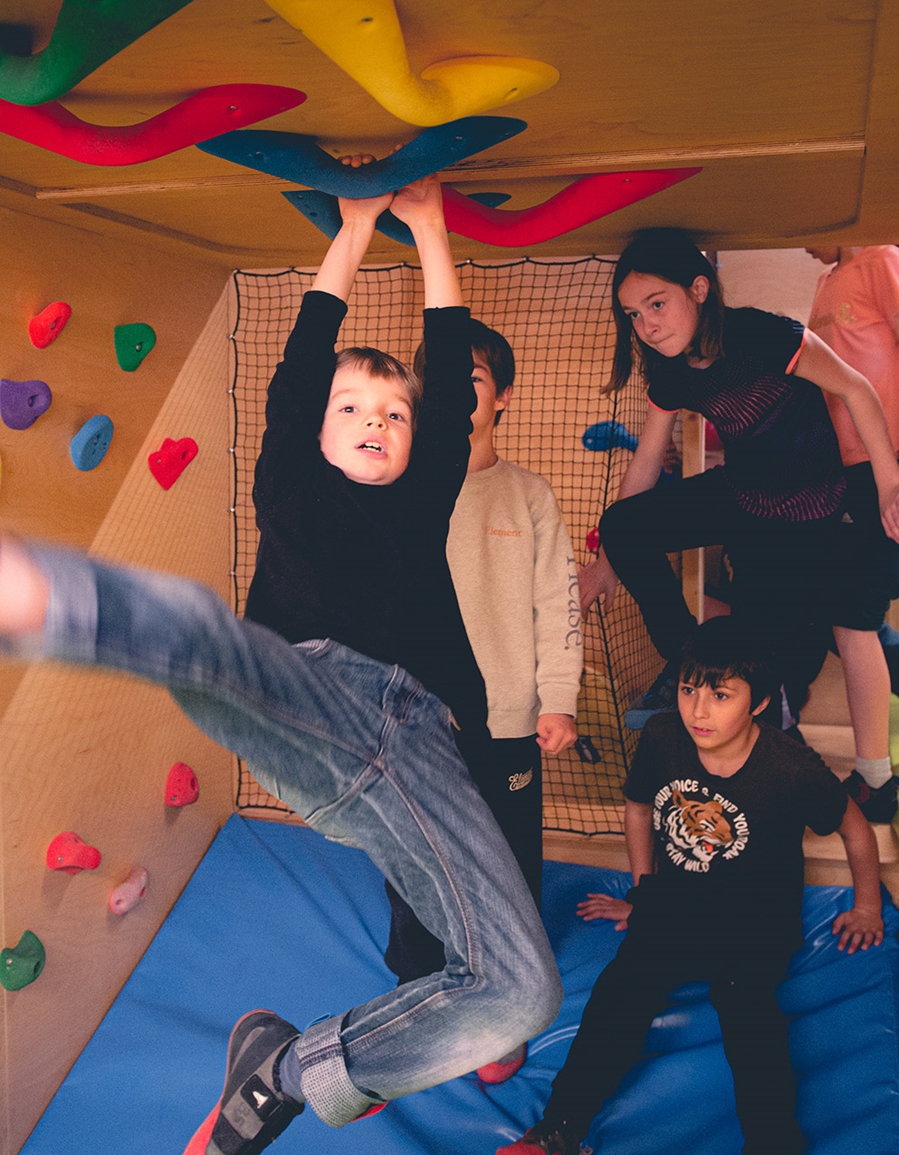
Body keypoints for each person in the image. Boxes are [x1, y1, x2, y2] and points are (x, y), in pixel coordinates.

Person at [0, 176, 562, 1155]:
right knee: (205, 639)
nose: (376, 422)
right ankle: (50, 597)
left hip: (415, 740)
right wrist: (351, 236)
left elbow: (437, 356)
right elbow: (304, 360)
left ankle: (291, 1070)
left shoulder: (424, 491)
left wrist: (430, 232)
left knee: (518, 993)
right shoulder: (290, 480)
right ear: (314, 426)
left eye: (394, 413)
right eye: (354, 407)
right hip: (301, 687)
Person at [496, 617, 884, 1155]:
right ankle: (557, 1130)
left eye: (720, 694)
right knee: (618, 995)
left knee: (750, 1018)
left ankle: (774, 1144)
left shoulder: (791, 767)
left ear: (760, 703)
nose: (698, 710)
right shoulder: (662, 736)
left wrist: (868, 905)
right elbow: (637, 806)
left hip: (755, 923)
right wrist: (643, 891)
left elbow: (855, 828)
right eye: (687, 688)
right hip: (674, 908)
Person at [578, 227, 899, 822]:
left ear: (699, 290)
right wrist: (607, 559)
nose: (646, 325)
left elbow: (855, 389)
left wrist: (887, 481)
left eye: (657, 304)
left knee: (769, 657)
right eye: (632, 314)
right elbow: (647, 460)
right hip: (745, 496)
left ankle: (798, 759)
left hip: (808, 509)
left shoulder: (762, 335)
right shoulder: (669, 371)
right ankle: (687, 659)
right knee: (623, 525)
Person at [383, 320, 582, 1082]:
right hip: (412, 721)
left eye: (470, 378)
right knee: (409, 853)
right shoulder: (397, 489)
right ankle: (415, 993)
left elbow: (556, 605)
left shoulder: (527, 493)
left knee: (503, 863)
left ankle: (505, 1000)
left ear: (501, 394)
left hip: (505, 720)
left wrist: (555, 698)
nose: (450, 394)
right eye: (434, 379)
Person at [805, 243, 899, 806]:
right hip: (846, 469)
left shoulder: (882, 259)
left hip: (883, 462)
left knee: (853, 617)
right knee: (847, 614)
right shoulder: (830, 280)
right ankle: (877, 775)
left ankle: (877, 780)